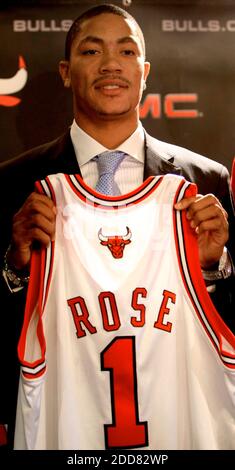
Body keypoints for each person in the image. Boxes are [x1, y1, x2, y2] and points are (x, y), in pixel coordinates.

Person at [0, 3, 234, 449]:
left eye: (126, 52)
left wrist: (215, 266)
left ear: (144, 71)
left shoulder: (205, 182)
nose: (111, 64)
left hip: (177, 429)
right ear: (66, 72)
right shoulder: (13, 186)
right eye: (92, 51)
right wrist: (15, 268)